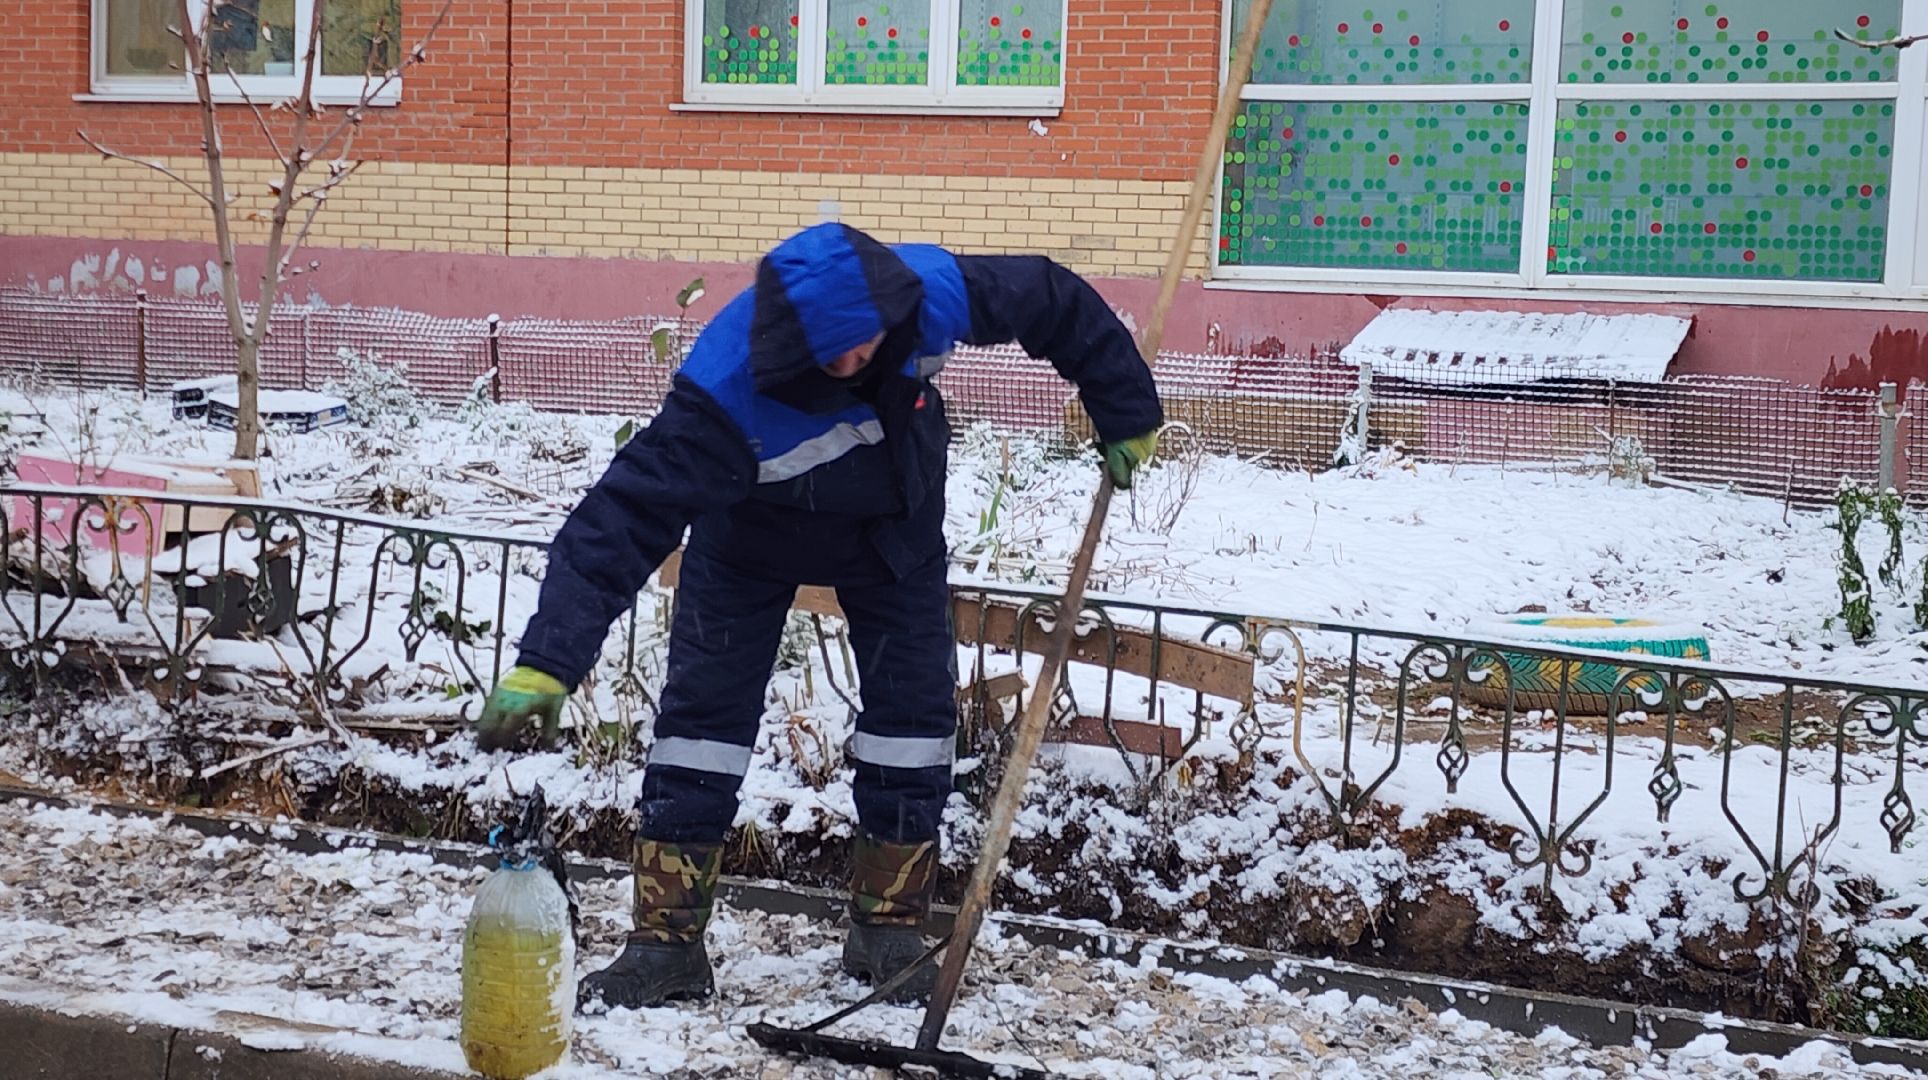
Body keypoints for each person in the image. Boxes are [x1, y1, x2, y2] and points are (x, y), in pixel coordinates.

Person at [474, 222, 1163, 1011]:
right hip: (747, 538)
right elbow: (618, 522)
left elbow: (1050, 298)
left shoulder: (925, 292)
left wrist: (1124, 407)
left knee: (912, 720)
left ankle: (888, 929)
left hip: (891, 526)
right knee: (701, 723)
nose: (851, 362)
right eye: (830, 354)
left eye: (864, 344)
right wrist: (548, 661)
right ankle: (665, 944)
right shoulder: (723, 393)